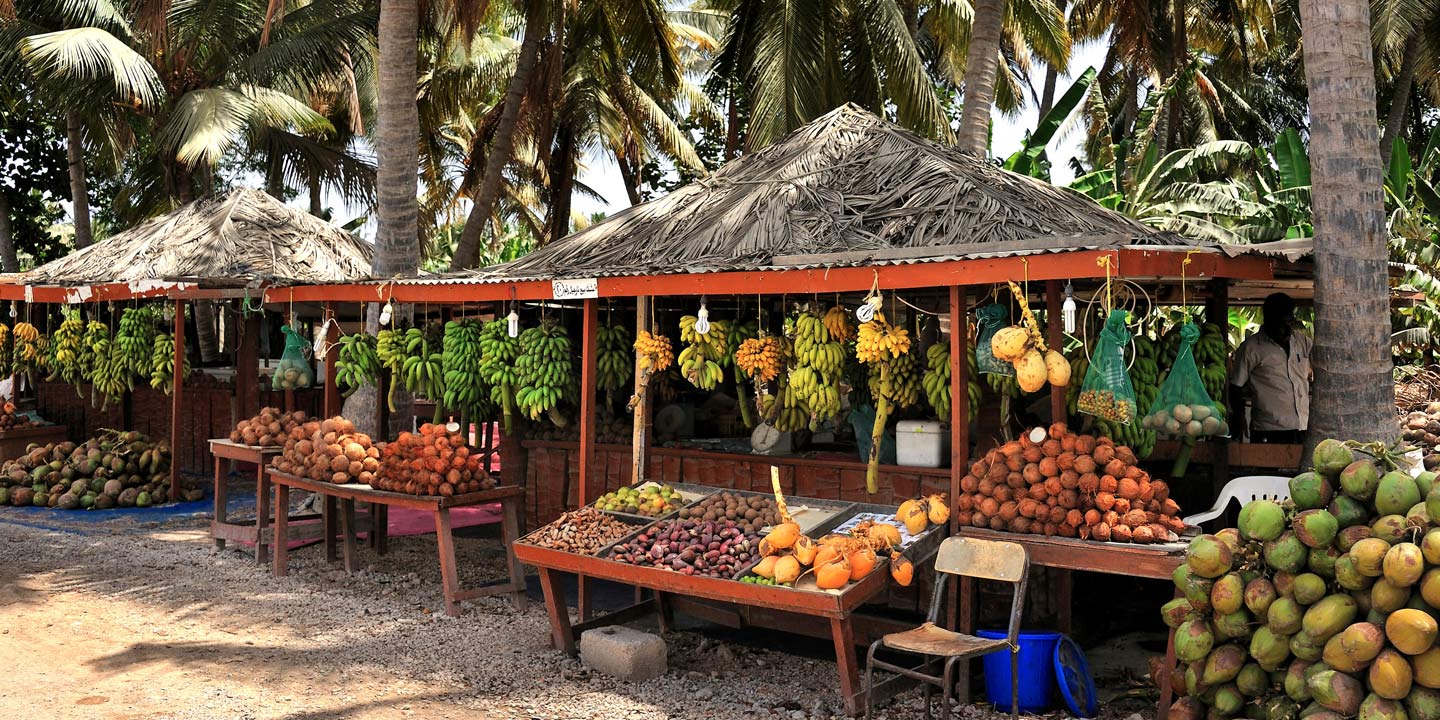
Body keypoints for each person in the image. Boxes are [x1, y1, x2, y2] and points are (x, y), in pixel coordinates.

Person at [1229, 293, 1312, 444]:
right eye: (1280, 324)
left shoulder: (1301, 341)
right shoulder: (1252, 348)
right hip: (1269, 428)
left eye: (1288, 322)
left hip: (1303, 425)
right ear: (1268, 320)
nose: (1285, 329)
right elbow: (1235, 387)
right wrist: (1239, 418)